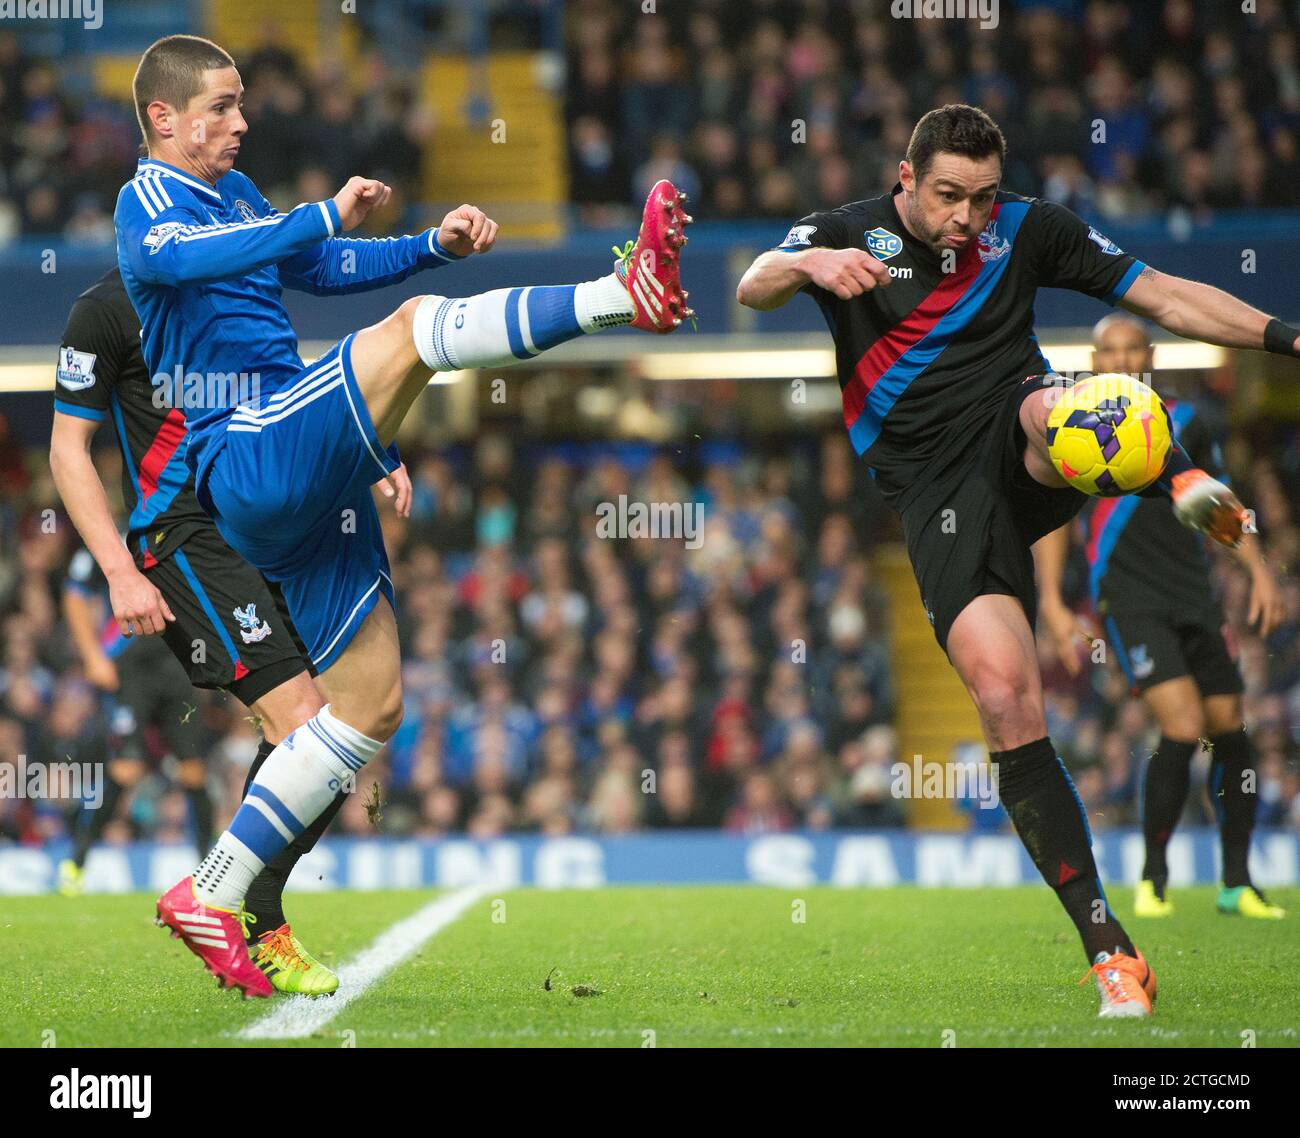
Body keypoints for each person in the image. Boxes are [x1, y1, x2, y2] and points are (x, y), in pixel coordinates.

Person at [115, 35, 691, 996]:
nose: (241, 122)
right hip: (239, 447)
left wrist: (429, 244)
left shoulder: (240, 197)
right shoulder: (150, 206)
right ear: (165, 120)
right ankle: (616, 294)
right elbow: (231, 253)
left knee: (371, 704)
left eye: (241, 103)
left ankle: (211, 891)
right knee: (417, 332)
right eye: (220, 107)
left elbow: (317, 267)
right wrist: (314, 217)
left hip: (300, 461)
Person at [737, 103, 1300, 1017]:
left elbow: (1161, 294)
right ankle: (1110, 948)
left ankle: (1173, 475)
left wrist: (1288, 336)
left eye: (983, 198)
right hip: (936, 493)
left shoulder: (1030, 228)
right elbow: (753, 284)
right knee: (1006, 697)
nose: (967, 219)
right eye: (949, 196)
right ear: (907, 180)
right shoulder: (847, 234)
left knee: (1063, 408)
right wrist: (808, 263)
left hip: (1018, 426)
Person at [48, 265, 406, 994]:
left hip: (262, 524)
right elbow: (66, 449)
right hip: (182, 537)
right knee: (306, 720)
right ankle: (244, 913)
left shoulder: (234, 282)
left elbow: (287, 390)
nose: (235, 142)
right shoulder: (105, 309)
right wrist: (118, 571)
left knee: (339, 729)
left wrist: (369, 456)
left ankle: (245, 912)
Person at [1036, 313, 1286, 921]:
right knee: (1181, 725)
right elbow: (1052, 519)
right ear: (1095, 362)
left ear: (1148, 355)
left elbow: (1218, 500)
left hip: (1192, 594)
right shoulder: (1073, 424)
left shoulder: (1187, 422)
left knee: (1231, 726)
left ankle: (1236, 882)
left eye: (1131, 350)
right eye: (1109, 352)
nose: (1121, 361)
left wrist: (1257, 570)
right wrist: (1048, 601)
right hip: (1129, 598)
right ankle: (1154, 879)